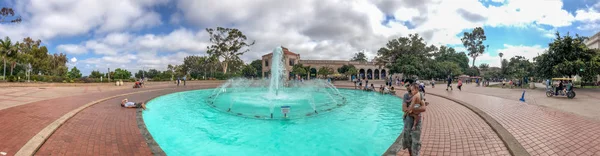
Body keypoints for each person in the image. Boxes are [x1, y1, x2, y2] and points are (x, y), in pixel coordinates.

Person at [401, 83, 428, 156]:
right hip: (408, 123)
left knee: (416, 142)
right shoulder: (405, 96)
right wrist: (414, 111)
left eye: (408, 86)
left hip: (416, 123)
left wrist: (411, 110)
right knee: (408, 141)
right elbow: (403, 108)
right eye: (406, 86)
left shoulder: (419, 95)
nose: (407, 87)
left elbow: (423, 108)